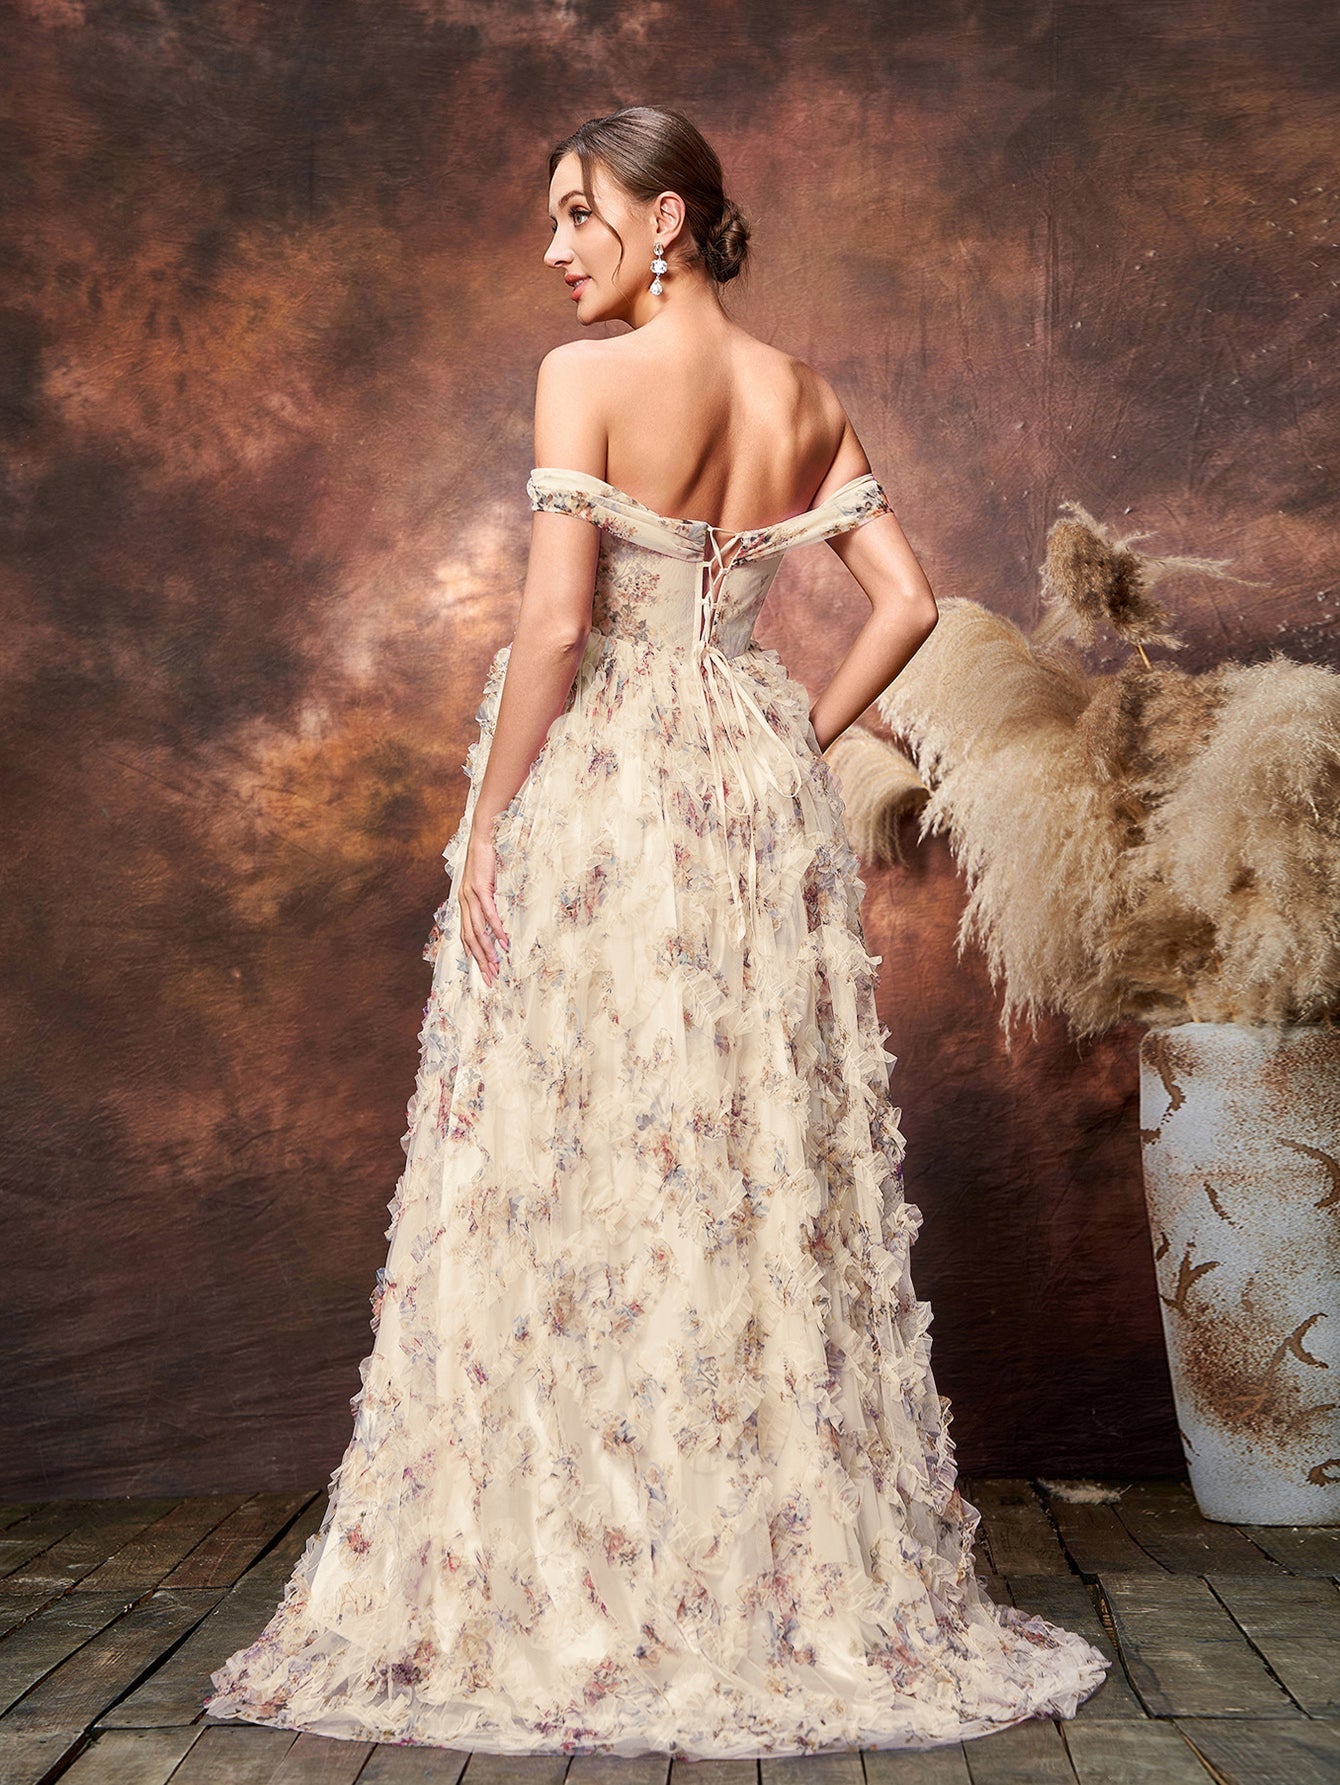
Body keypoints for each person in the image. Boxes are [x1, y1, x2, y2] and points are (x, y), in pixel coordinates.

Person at [202, 104, 1107, 1757]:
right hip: (754, 782)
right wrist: (800, 737)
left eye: (579, 212)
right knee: (745, 1152)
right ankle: (756, 1569)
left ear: (669, 218)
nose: (554, 248)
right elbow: (909, 603)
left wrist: (489, 821)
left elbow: (559, 625)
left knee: (578, 1149)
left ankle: (594, 1565)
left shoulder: (586, 381)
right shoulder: (801, 395)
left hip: (613, 779)